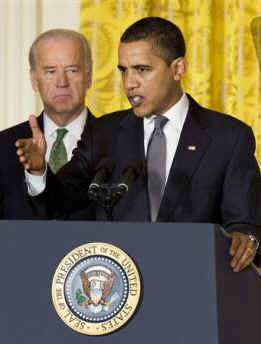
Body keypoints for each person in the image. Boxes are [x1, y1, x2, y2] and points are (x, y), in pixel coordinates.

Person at [16, 17, 261, 272]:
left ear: (177, 69)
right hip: (119, 292)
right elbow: (61, 203)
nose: (129, 83)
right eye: (124, 70)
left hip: (196, 284)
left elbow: (245, 223)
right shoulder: (103, 133)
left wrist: (248, 239)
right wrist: (38, 171)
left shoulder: (228, 137)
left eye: (142, 69)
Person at [0, 28, 95, 219]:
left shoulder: (117, 143)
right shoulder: (4, 146)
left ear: (89, 77)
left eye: (72, 70)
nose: (62, 82)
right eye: (50, 71)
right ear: (34, 80)